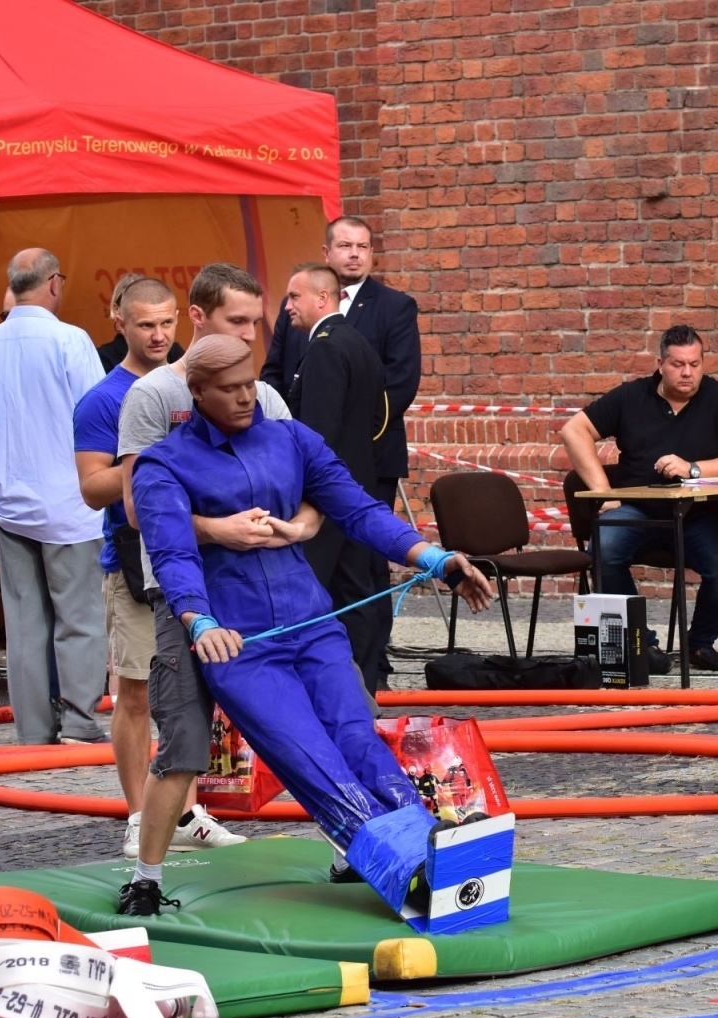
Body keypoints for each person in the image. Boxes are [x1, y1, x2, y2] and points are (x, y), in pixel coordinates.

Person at [124, 334, 493, 918]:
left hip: (312, 620)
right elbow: (171, 552)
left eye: (251, 383)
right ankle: (408, 862)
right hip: (240, 643)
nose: (248, 397)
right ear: (196, 392)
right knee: (309, 756)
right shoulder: (163, 463)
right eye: (231, 389)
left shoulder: (291, 437)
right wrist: (198, 620)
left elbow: (360, 510)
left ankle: (435, 845)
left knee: (356, 736)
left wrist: (433, 558)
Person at [110, 263, 308, 860]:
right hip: (179, 586)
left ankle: (351, 843)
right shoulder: (152, 396)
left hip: (257, 584)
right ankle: (146, 858)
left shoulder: (266, 395)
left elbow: (305, 480)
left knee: (303, 719)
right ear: (197, 318)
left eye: (256, 322)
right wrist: (218, 527)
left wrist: (293, 525)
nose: (250, 335)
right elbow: (137, 508)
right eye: (236, 321)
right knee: (174, 725)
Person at [75, 279, 243, 858]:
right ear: (118, 320)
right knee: (137, 691)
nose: (158, 335)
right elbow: (91, 487)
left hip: (202, 560)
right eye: (146, 325)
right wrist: (147, 470)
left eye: (167, 323)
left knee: (192, 691)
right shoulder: (104, 397)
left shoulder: (196, 383)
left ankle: (189, 809)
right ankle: (138, 813)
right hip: (132, 559)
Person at [0, 248, 109, 745]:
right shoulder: (71, 341)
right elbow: (100, 419)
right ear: (54, 283)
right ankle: (78, 721)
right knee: (79, 618)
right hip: (72, 504)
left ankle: (32, 729)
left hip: (8, 505)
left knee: (25, 623)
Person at [264, 217, 421, 687]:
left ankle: (364, 669)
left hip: (359, 462)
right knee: (339, 569)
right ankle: (340, 671)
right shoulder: (299, 313)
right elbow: (276, 375)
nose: (355, 254)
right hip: (332, 459)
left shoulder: (392, 308)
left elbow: (395, 387)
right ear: (328, 253)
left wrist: (345, 455)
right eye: (345, 246)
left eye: (364, 246)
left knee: (359, 567)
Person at [559, 325, 718, 673]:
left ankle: (699, 644)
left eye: (695, 364)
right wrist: (604, 492)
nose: (687, 372)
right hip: (636, 511)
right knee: (603, 550)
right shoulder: (631, 396)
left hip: (699, 514)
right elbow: (573, 430)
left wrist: (694, 469)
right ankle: (644, 645)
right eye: (678, 364)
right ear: (661, 364)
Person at [282, 262, 391, 693]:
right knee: (356, 589)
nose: (287, 306)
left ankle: (318, 685)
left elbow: (318, 433)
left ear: (322, 298)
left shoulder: (326, 346)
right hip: (358, 483)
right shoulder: (358, 342)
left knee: (313, 587)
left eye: (294, 296)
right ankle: (361, 683)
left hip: (328, 492)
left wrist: (306, 493)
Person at [97, 272, 185, 373]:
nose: (159, 337)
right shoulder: (104, 357)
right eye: (147, 325)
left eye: (166, 322)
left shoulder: (174, 351)